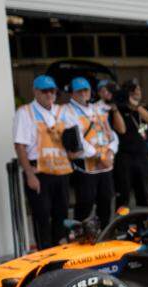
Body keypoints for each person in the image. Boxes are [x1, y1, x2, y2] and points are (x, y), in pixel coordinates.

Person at [13, 75, 73, 249]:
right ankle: (45, 258)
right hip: (39, 173)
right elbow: (20, 146)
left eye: (52, 91)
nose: (49, 94)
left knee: (61, 216)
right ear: (35, 92)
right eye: (44, 91)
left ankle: (59, 255)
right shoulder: (25, 112)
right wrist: (30, 176)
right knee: (42, 217)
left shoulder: (61, 112)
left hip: (61, 172)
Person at [62, 77, 117, 228]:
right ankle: (79, 237)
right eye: (79, 91)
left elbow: (111, 134)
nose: (83, 93)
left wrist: (111, 151)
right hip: (86, 168)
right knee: (85, 205)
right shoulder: (68, 111)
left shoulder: (97, 109)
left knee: (106, 203)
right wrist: (99, 156)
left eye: (85, 90)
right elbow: (77, 138)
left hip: (106, 166)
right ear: (71, 93)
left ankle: (103, 235)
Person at [112, 79, 148, 209]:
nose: (138, 93)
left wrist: (136, 106)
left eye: (138, 90)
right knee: (123, 194)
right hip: (124, 156)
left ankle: (142, 225)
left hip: (142, 156)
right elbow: (121, 129)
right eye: (135, 91)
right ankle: (121, 226)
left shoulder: (141, 109)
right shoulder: (119, 108)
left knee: (143, 193)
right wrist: (125, 104)